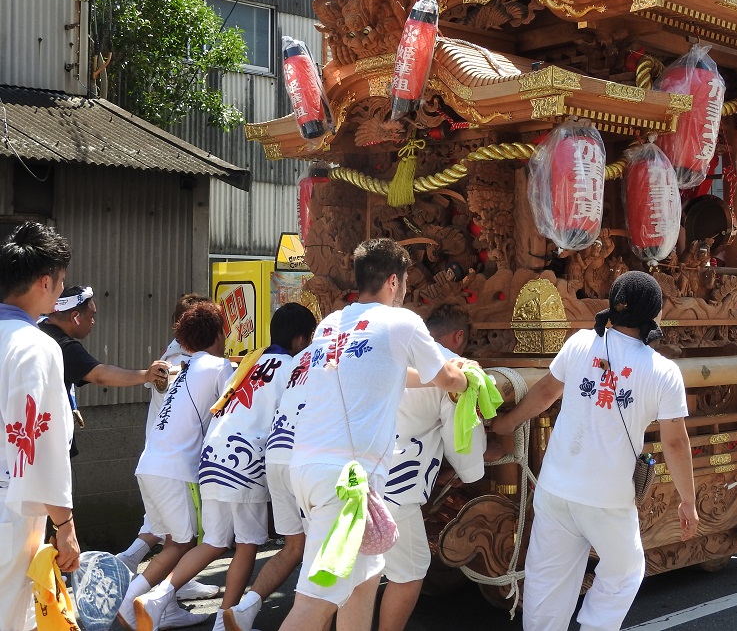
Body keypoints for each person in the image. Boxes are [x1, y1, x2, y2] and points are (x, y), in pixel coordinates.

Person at [278, 238, 470, 631]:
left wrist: (437, 379)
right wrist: (470, 379)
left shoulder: (331, 324)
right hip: (344, 481)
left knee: (363, 582)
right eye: (405, 282)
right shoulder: (401, 322)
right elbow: (447, 377)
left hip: (309, 468)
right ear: (394, 281)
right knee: (316, 601)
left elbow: (392, 373)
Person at [490, 271, 698, 631]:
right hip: (607, 499)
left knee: (547, 580)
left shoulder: (580, 343)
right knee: (624, 571)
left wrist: (506, 424)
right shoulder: (663, 372)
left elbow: (545, 392)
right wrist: (688, 501)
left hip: (555, 487)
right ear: (655, 314)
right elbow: (675, 442)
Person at [130, 303, 319, 631]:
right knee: (247, 543)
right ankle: (225, 621)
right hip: (244, 460)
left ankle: (157, 598)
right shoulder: (293, 367)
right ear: (302, 339)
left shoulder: (249, 362)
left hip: (211, 455)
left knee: (213, 541)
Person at [118, 303, 233, 631]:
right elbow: (233, 409)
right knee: (182, 543)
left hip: (149, 464)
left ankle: (164, 610)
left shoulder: (182, 366)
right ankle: (130, 600)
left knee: (172, 540)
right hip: (175, 469)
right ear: (218, 334)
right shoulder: (219, 366)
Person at [376, 305, 489, 631]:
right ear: (458, 336)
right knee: (410, 571)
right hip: (396, 484)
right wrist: (473, 471)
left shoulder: (382, 356)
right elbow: (460, 438)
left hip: (346, 475)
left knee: (354, 573)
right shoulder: (450, 369)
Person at [0, 222, 79, 631]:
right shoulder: (34, 344)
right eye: (61, 282)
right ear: (45, 282)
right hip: (11, 508)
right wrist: (64, 525)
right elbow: (38, 443)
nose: (61, 290)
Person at [39, 285, 171, 456]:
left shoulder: (35, 326)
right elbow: (100, 375)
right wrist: (146, 375)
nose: (93, 322)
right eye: (91, 316)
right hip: (46, 442)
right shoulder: (63, 346)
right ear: (75, 317)